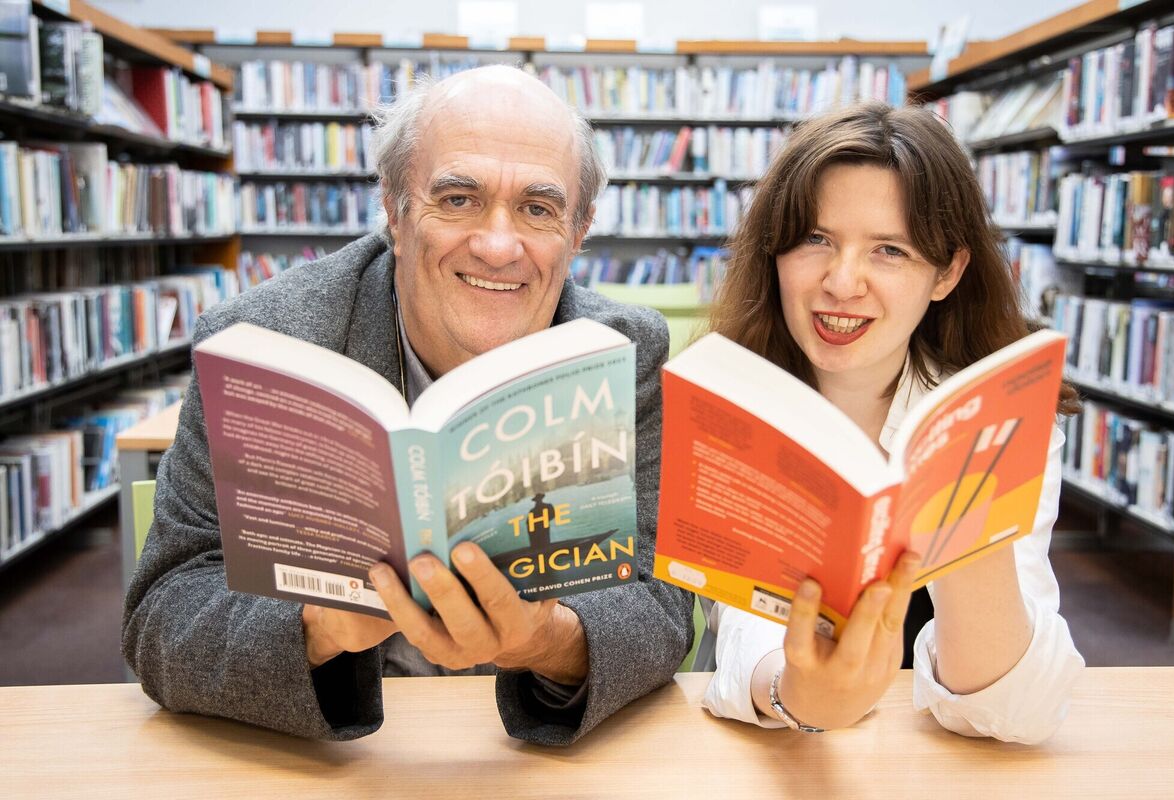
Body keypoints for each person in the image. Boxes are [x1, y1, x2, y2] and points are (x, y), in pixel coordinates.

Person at [122, 65, 693, 745]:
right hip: (331, 764)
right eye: (458, 199)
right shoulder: (262, 347)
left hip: (534, 765)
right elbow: (162, 616)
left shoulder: (624, 356)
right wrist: (320, 626)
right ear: (394, 211)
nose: (498, 244)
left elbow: (665, 605)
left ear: (578, 230)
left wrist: (546, 640)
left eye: (538, 208)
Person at [699, 102, 1085, 744]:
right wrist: (799, 694)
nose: (841, 283)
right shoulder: (733, 403)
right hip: (776, 750)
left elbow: (1023, 713)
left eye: (889, 250)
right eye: (816, 240)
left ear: (948, 272)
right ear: (775, 249)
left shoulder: (1011, 425)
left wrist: (964, 498)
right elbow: (744, 631)